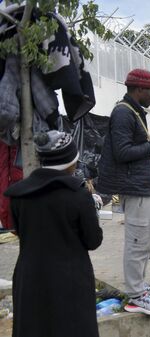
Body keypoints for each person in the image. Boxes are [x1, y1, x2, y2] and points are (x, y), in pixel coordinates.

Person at [5, 131, 103, 337]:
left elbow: (21, 232)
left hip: (29, 277)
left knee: (33, 328)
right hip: (70, 279)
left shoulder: (19, 194)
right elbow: (93, 240)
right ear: (71, 162)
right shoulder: (78, 194)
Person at [97, 68, 150, 315]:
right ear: (139, 89)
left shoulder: (133, 111)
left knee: (145, 239)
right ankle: (135, 295)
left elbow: (134, 147)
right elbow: (122, 153)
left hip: (142, 185)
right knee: (138, 242)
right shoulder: (123, 113)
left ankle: (139, 287)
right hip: (134, 186)